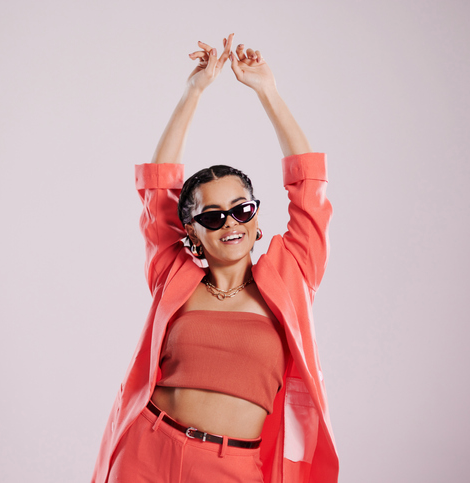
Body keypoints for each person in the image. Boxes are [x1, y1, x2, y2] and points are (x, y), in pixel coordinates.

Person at [92, 33, 339, 483]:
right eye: (213, 215)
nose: (231, 223)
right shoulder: (174, 276)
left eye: (242, 209)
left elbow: (309, 187)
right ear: (191, 231)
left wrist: (268, 91)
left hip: (230, 467)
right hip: (146, 451)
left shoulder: (291, 275)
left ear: (257, 215)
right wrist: (194, 92)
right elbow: (157, 191)